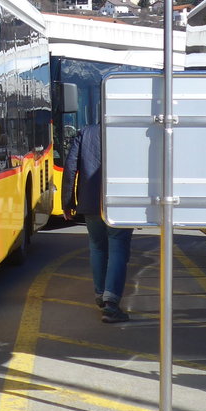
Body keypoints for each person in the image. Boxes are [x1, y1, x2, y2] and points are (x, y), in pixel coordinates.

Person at [61, 122, 131, 323]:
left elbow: (70, 167)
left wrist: (68, 202)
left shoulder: (86, 133)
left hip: (91, 202)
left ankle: (101, 295)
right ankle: (111, 303)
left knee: (98, 248)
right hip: (122, 203)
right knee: (118, 249)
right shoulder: (128, 130)